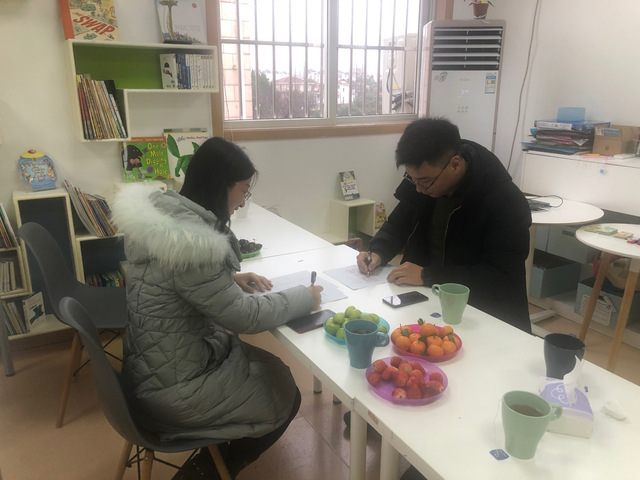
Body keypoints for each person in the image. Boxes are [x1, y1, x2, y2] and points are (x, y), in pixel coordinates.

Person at [111, 137, 323, 479]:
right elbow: (245, 317)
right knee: (283, 393)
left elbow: (175, 282)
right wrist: (305, 298)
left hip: (151, 368)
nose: (242, 201)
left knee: (270, 369)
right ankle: (205, 471)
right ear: (219, 185)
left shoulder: (165, 220)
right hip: (172, 389)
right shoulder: (194, 248)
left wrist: (228, 279)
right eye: (243, 191)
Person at [357, 117, 532, 334]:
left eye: (424, 181)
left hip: (485, 315)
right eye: (412, 179)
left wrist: (428, 276)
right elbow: (399, 222)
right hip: (429, 302)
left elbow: (499, 277)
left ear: (455, 165)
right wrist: (378, 251)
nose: (418, 189)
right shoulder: (424, 179)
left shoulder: (505, 201)